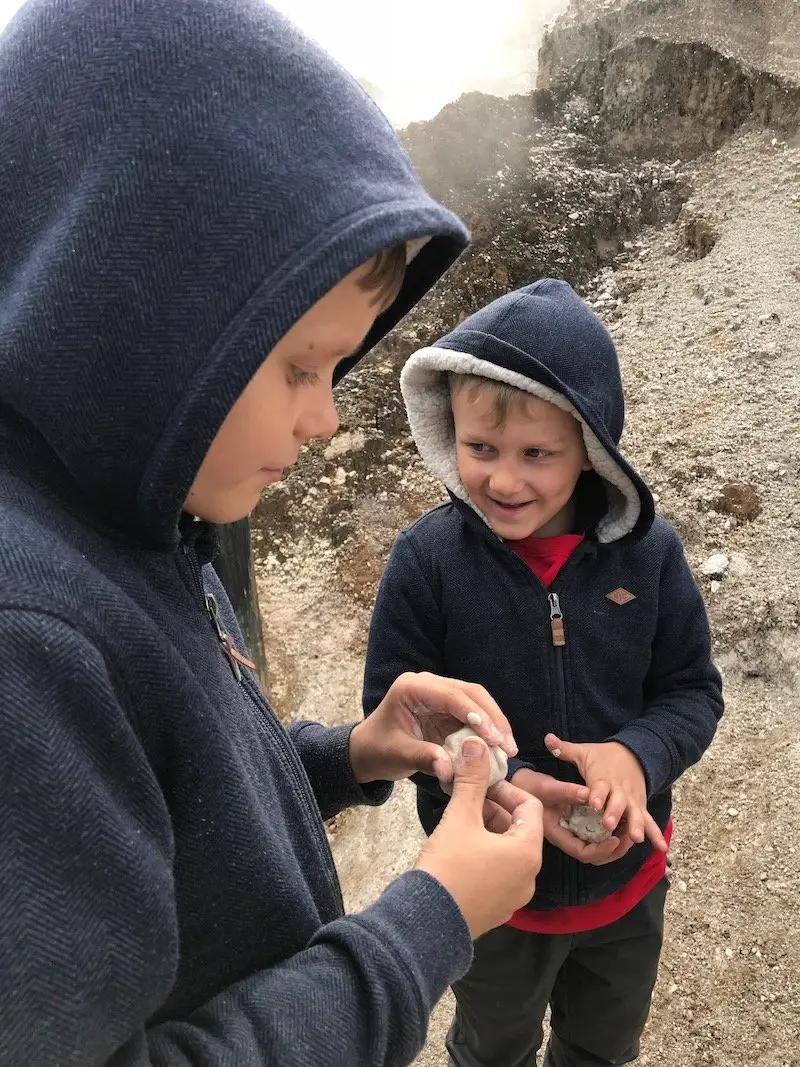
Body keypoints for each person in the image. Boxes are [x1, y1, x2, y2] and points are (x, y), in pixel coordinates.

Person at [0, 1, 551, 1063]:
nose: (326, 414)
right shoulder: (28, 641)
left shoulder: (131, 518)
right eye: (299, 365)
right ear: (134, 319)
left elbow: (159, 814)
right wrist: (423, 922)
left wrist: (350, 753)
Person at [364, 279, 724, 1067]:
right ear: (446, 430)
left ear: (591, 449)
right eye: (479, 448)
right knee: (494, 1047)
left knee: (602, 1044)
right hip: (492, 896)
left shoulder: (648, 554)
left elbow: (692, 690)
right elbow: (405, 726)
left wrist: (638, 755)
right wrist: (510, 780)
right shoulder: (426, 564)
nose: (503, 480)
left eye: (538, 453)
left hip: (628, 885)